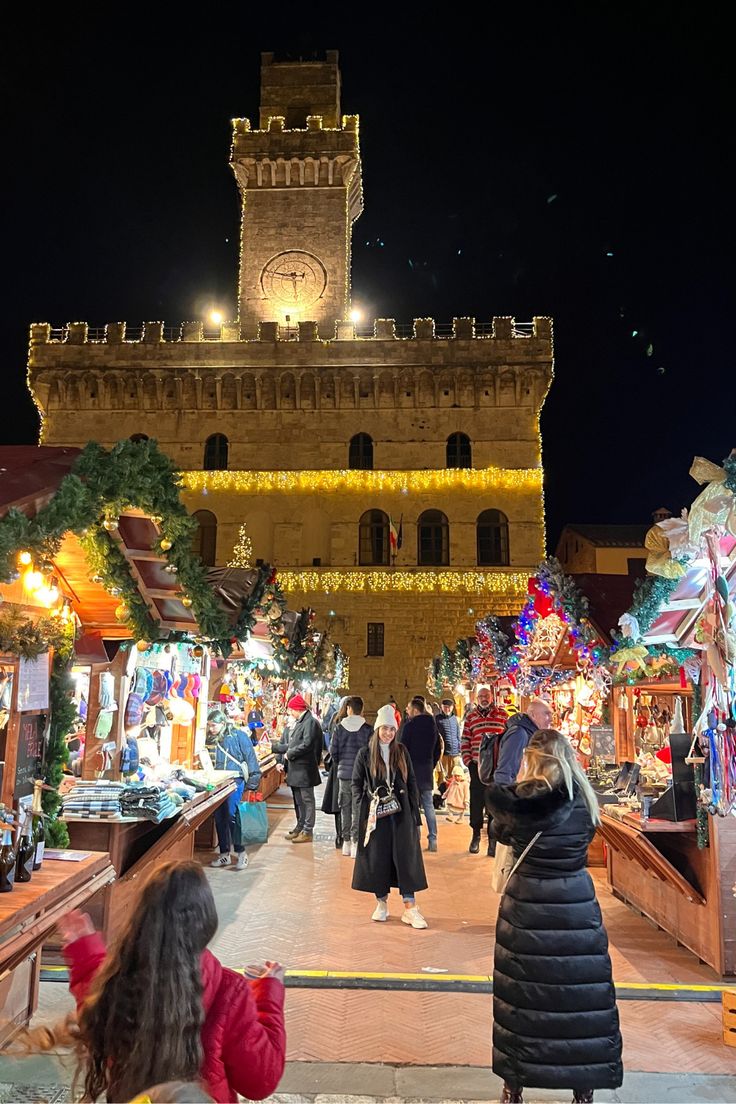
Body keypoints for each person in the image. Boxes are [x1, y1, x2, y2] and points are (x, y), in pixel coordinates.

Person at [50, 860, 286, 1102]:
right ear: (207, 921)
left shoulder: (120, 980)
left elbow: (94, 1010)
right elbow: (259, 1081)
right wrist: (269, 996)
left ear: (141, 916)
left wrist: (86, 954)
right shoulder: (229, 991)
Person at [486, 730, 623, 1104]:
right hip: (576, 903)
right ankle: (584, 1089)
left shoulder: (518, 804)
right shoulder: (585, 801)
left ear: (531, 760)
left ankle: (514, 1087)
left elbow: (499, 832)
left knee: (522, 997)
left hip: (527, 904)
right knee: (581, 996)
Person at [351, 704, 428, 928]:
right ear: (377, 729)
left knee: (405, 858)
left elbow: (412, 782)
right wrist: (363, 809)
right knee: (379, 857)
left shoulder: (401, 752)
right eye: (385, 728)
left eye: (392, 729)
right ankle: (381, 902)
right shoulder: (365, 754)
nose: (388, 733)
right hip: (377, 815)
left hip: (401, 812)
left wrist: (415, 813)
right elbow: (355, 784)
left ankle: (410, 907)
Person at [206, 708, 261, 871]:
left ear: (222, 723)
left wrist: (253, 780)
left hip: (235, 780)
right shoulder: (210, 738)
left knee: (232, 814)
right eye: (209, 725)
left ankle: (242, 853)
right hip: (218, 781)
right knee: (219, 816)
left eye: (213, 725)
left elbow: (250, 756)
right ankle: (224, 854)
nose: (211, 729)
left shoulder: (238, 736)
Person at [460, 687, 508, 854]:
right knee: (476, 800)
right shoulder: (471, 717)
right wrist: (467, 760)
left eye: (486, 696)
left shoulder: (502, 715)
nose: (484, 699)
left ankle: (493, 840)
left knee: (494, 801)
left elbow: (508, 739)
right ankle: (475, 835)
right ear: (477, 699)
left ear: (492, 697)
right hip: (476, 765)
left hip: (497, 766)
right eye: (481, 696)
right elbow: (465, 739)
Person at [272, 694, 323, 843]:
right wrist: (280, 753)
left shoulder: (310, 722)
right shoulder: (300, 722)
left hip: (305, 769)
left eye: (291, 710)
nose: (290, 713)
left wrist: (289, 753)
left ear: (298, 709)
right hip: (296, 769)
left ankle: (308, 830)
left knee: (307, 800)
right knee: (298, 800)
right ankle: (300, 826)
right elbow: (292, 743)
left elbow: (307, 744)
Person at [399, 695, 442, 851]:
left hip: (412, 770)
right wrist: (432, 763)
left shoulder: (409, 726)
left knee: (413, 806)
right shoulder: (432, 726)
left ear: (415, 710)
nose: (407, 711)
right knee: (428, 805)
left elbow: (403, 749)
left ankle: (415, 839)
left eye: (409, 708)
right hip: (426, 769)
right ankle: (433, 839)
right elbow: (438, 748)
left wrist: (403, 768)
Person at [331, 695, 372, 857]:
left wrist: (340, 763)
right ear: (361, 709)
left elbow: (333, 752)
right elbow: (370, 753)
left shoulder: (339, 728)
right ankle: (356, 842)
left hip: (344, 774)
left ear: (349, 709)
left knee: (344, 808)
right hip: (360, 776)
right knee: (358, 808)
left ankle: (346, 842)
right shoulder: (368, 729)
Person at [494, 699, 553, 786]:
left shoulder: (529, 732)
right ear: (533, 715)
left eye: (551, 714)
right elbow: (505, 773)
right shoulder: (519, 734)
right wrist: (509, 797)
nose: (551, 719)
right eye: (546, 714)